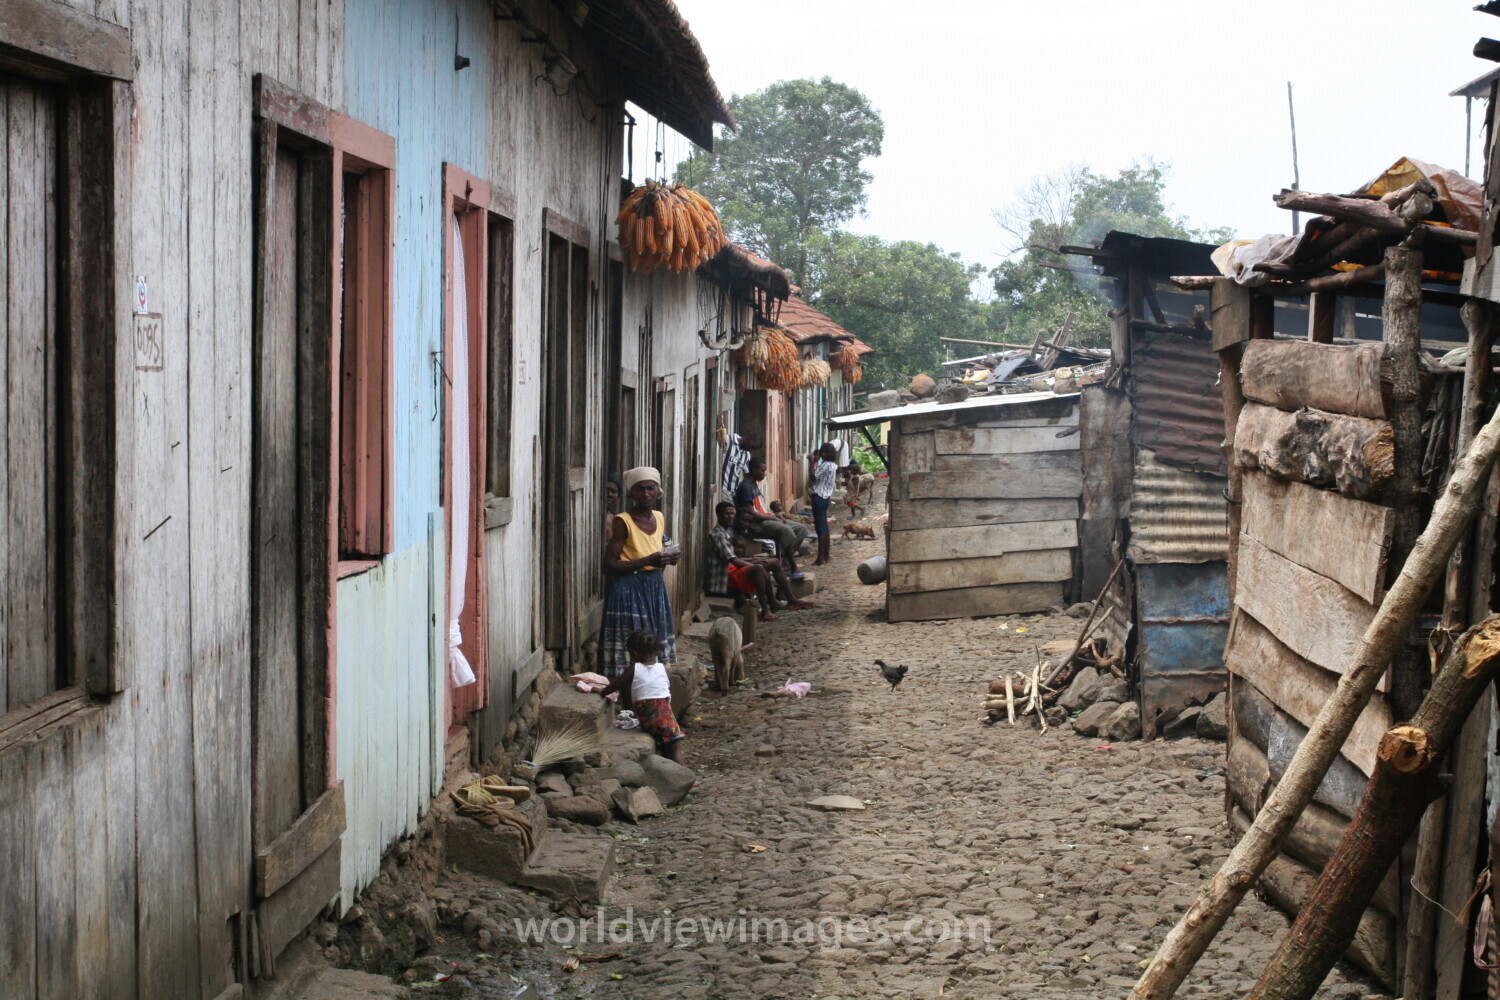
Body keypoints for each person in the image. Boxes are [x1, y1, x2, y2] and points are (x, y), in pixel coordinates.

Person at [600, 467, 679, 678]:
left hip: (654, 587)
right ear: (631, 494)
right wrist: (647, 561)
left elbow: (655, 556)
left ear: (658, 491)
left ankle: (653, 688)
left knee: (652, 643)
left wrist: (667, 559)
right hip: (628, 589)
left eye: (650, 488)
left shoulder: (659, 518)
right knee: (632, 642)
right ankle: (626, 690)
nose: (645, 494)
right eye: (639, 489)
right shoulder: (622, 521)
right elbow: (608, 566)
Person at [706, 502, 813, 619]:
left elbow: (735, 558)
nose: (730, 516)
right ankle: (765, 611)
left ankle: (784, 601)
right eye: (727, 514)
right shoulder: (719, 535)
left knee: (774, 562)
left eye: (732, 513)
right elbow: (734, 561)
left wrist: (756, 559)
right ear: (718, 515)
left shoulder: (726, 532)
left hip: (732, 570)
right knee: (759, 568)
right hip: (724, 578)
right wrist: (754, 564)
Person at [599, 630, 685, 765]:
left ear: (634, 653)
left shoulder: (633, 668)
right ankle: (685, 775)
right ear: (657, 651)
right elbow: (668, 693)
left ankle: (669, 770)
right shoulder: (665, 669)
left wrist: (602, 692)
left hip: (645, 719)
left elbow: (617, 684)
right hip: (664, 715)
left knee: (665, 743)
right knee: (675, 746)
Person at [734, 458, 808, 575]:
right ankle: (793, 567)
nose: (764, 474)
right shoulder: (746, 486)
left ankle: (785, 563)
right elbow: (750, 513)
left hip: (766, 519)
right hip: (757, 524)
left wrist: (776, 516)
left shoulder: (754, 485)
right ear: (753, 470)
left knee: (802, 529)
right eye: (762, 471)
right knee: (786, 530)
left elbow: (762, 509)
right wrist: (772, 518)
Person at [808, 442, 839, 567]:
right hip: (825, 498)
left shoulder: (825, 465)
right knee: (824, 528)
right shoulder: (832, 465)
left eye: (823, 452)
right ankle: (826, 555)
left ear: (827, 454)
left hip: (819, 498)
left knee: (820, 529)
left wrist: (811, 462)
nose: (821, 454)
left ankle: (820, 558)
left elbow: (813, 477)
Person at [719, 430, 762, 504]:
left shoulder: (747, 455)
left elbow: (747, 475)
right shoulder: (728, 440)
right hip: (722, 489)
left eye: (753, 449)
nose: (750, 450)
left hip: (734, 492)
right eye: (752, 446)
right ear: (750, 438)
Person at [603, 474, 622, 538]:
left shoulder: (615, 521)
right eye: (605, 490)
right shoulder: (590, 519)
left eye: (614, 491)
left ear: (618, 496)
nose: (609, 494)